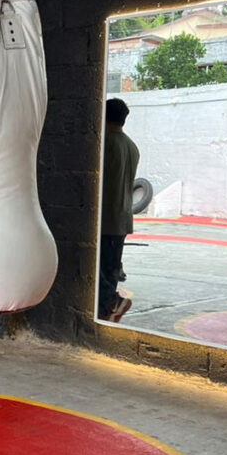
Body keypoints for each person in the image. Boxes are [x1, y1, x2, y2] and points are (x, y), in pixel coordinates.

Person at [99, 98, 139, 322]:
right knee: (110, 267)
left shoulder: (105, 144)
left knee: (102, 270)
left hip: (105, 217)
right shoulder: (131, 145)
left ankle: (111, 304)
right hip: (122, 217)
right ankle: (108, 309)